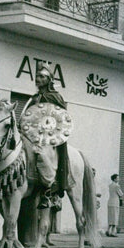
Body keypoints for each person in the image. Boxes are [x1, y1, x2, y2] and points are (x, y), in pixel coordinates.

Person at [26, 63, 69, 210]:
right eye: (37, 76)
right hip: (32, 136)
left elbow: (62, 118)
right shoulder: (33, 98)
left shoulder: (55, 97)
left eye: (42, 76)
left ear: (49, 80)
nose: (38, 79)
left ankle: (47, 190)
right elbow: (27, 116)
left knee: (43, 155)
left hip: (48, 138)